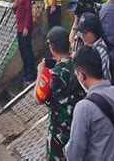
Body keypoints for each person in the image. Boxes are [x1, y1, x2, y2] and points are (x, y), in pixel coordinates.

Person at [36, 26, 85, 160]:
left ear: (51, 48)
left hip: (59, 134)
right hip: (80, 131)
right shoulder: (80, 67)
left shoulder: (54, 74)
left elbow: (39, 97)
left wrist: (41, 73)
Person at [72, 12, 112, 82]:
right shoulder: (86, 43)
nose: (82, 35)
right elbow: (71, 40)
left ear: (95, 31)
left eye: (85, 32)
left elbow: (105, 82)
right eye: (80, 32)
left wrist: (80, 78)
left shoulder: (100, 52)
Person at [12, 0, 36, 83]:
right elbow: (16, 12)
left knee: (27, 51)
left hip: (25, 28)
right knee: (22, 51)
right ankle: (26, 71)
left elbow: (28, 13)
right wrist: (14, 6)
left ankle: (31, 73)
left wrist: (26, 27)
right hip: (19, 27)